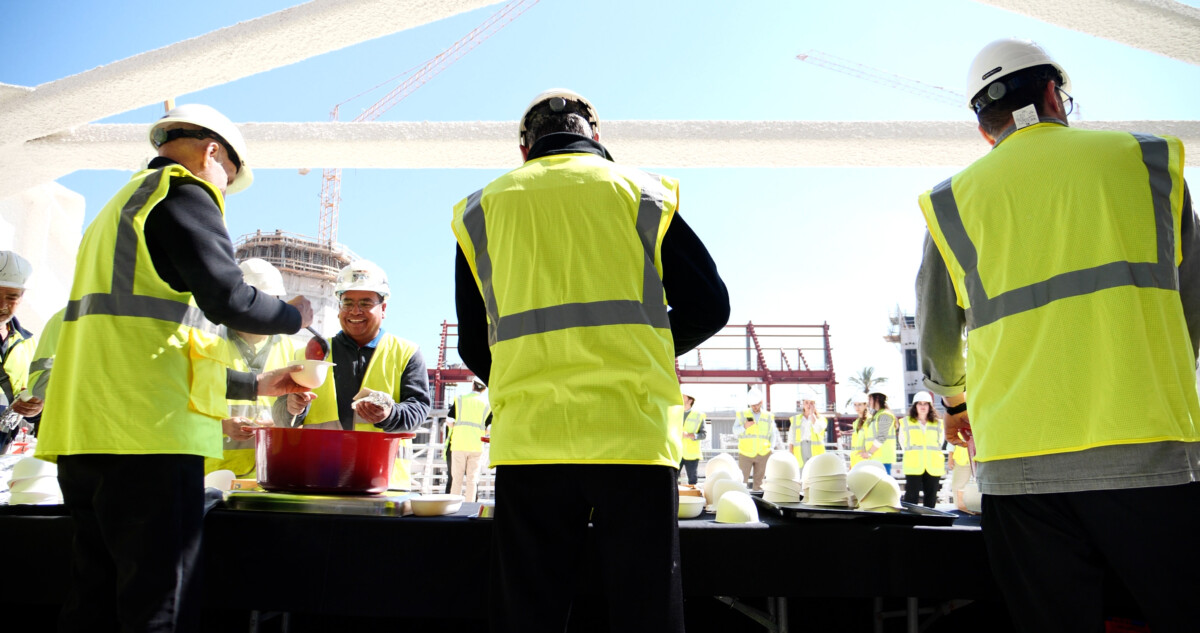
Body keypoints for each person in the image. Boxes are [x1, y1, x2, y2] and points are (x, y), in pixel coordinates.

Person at [916, 38, 1200, 632]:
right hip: (1151, 454)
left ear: (982, 129)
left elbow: (940, 338)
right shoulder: (1146, 160)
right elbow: (1193, 312)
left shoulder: (952, 202)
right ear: (1052, 93)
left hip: (1021, 469)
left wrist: (954, 403)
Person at [451, 88, 728, 632]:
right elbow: (709, 307)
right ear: (596, 138)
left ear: (524, 150)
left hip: (531, 437)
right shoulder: (643, 193)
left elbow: (471, 342)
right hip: (634, 432)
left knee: (529, 612)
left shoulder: (482, 208)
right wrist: (641, 350)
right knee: (643, 609)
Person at [34, 103, 315, 633]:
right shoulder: (182, 191)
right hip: (149, 439)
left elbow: (150, 341)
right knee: (159, 605)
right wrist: (292, 316)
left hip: (87, 432)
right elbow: (229, 298)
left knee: (94, 598)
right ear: (212, 152)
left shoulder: (118, 209)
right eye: (227, 179)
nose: (222, 192)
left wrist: (255, 383)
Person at [281, 259, 431, 489]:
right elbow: (281, 415)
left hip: (383, 482)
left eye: (365, 303)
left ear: (384, 308)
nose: (355, 311)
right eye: (347, 302)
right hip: (320, 478)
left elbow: (419, 409)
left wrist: (389, 414)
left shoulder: (406, 352)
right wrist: (292, 407)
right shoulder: (311, 351)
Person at [205, 259, 297, 478]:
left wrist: (281, 427)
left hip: (269, 476)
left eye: (269, 302)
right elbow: (185, 408)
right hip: (213, 476)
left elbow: (300, 417)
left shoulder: (291, 350)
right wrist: (222, 427)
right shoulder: (208, 343)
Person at [0, 251, 38, 454]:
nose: (2, 305)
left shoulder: (28, 342)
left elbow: (34, 391)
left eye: (11, 297)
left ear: (22, 297)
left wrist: (36, 406)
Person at [446, 378, 491, 501]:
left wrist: (459, 428)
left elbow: (449, 421)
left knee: (457, 479)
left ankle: (453, 506)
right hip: (476, 446)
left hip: (459, 444)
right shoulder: (487, 405)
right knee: (472, 479)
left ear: (472, 386)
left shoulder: (460, 399)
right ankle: (469, 507)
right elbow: (489, 429)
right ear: (484, 389)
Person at [898, 391, 944, 508]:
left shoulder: (939, 423)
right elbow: (902, 442)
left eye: (926, 404)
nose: (923, 407)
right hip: (913, 464)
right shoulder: (906, 422)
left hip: (933, 464)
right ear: (915, 406)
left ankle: (929, 521)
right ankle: (910, 521)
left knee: (931, 495)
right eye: (919, 404)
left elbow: (940, 442)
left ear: (930, 406)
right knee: (911, 495)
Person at [734, 387, 778, 491]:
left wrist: (771, 448)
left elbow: (773, 434)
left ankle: (758, 505)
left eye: (756, 404)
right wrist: (744, 426)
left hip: (763, 454)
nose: (754, 407)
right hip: (745, 454)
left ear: (761, 402)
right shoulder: (742, 414)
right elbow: (735, 430)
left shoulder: (768, 416)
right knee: (741, 481)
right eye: (752, 405)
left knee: (760, 484)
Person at [853, 390, 896, 473]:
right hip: (876, 458)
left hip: (883, 459)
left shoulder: (885, 415)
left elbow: (882, 437)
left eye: (870, 399)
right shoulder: (876, 415)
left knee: (883, 484)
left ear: (876, 398)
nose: (868, 402)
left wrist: (869, 452)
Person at [787, 392, 827, 468]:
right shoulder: (795, 419)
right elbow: (791, 438)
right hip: (800, 450)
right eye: (806, 402)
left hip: (815, 451)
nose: (809, 405)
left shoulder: (821, 419)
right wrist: (791, 452)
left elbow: (818, 429)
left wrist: (812, 414)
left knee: (814, 473)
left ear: (815, 405)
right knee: (801, 472)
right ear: (803, 404)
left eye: (811, 403)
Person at [678, 391, 707, 486]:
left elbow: (703, 434)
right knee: (673, 478)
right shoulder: (675, 413)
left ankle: (694, 499)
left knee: (692, 481)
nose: (680, 398)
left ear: (690, 400)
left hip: (692, 454)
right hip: (676, 452)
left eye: (683, 397)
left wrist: (690, 435)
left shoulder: (699, 415)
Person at [848, 391, 871, 468]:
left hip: (865, 460)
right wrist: (851, 463)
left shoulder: (870, 421)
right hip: (855, 460)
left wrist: (868, 453)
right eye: (855, 405)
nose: (857, 407)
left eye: (860, 404)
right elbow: (855, 444)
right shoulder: (856, 423)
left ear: (865, 405)